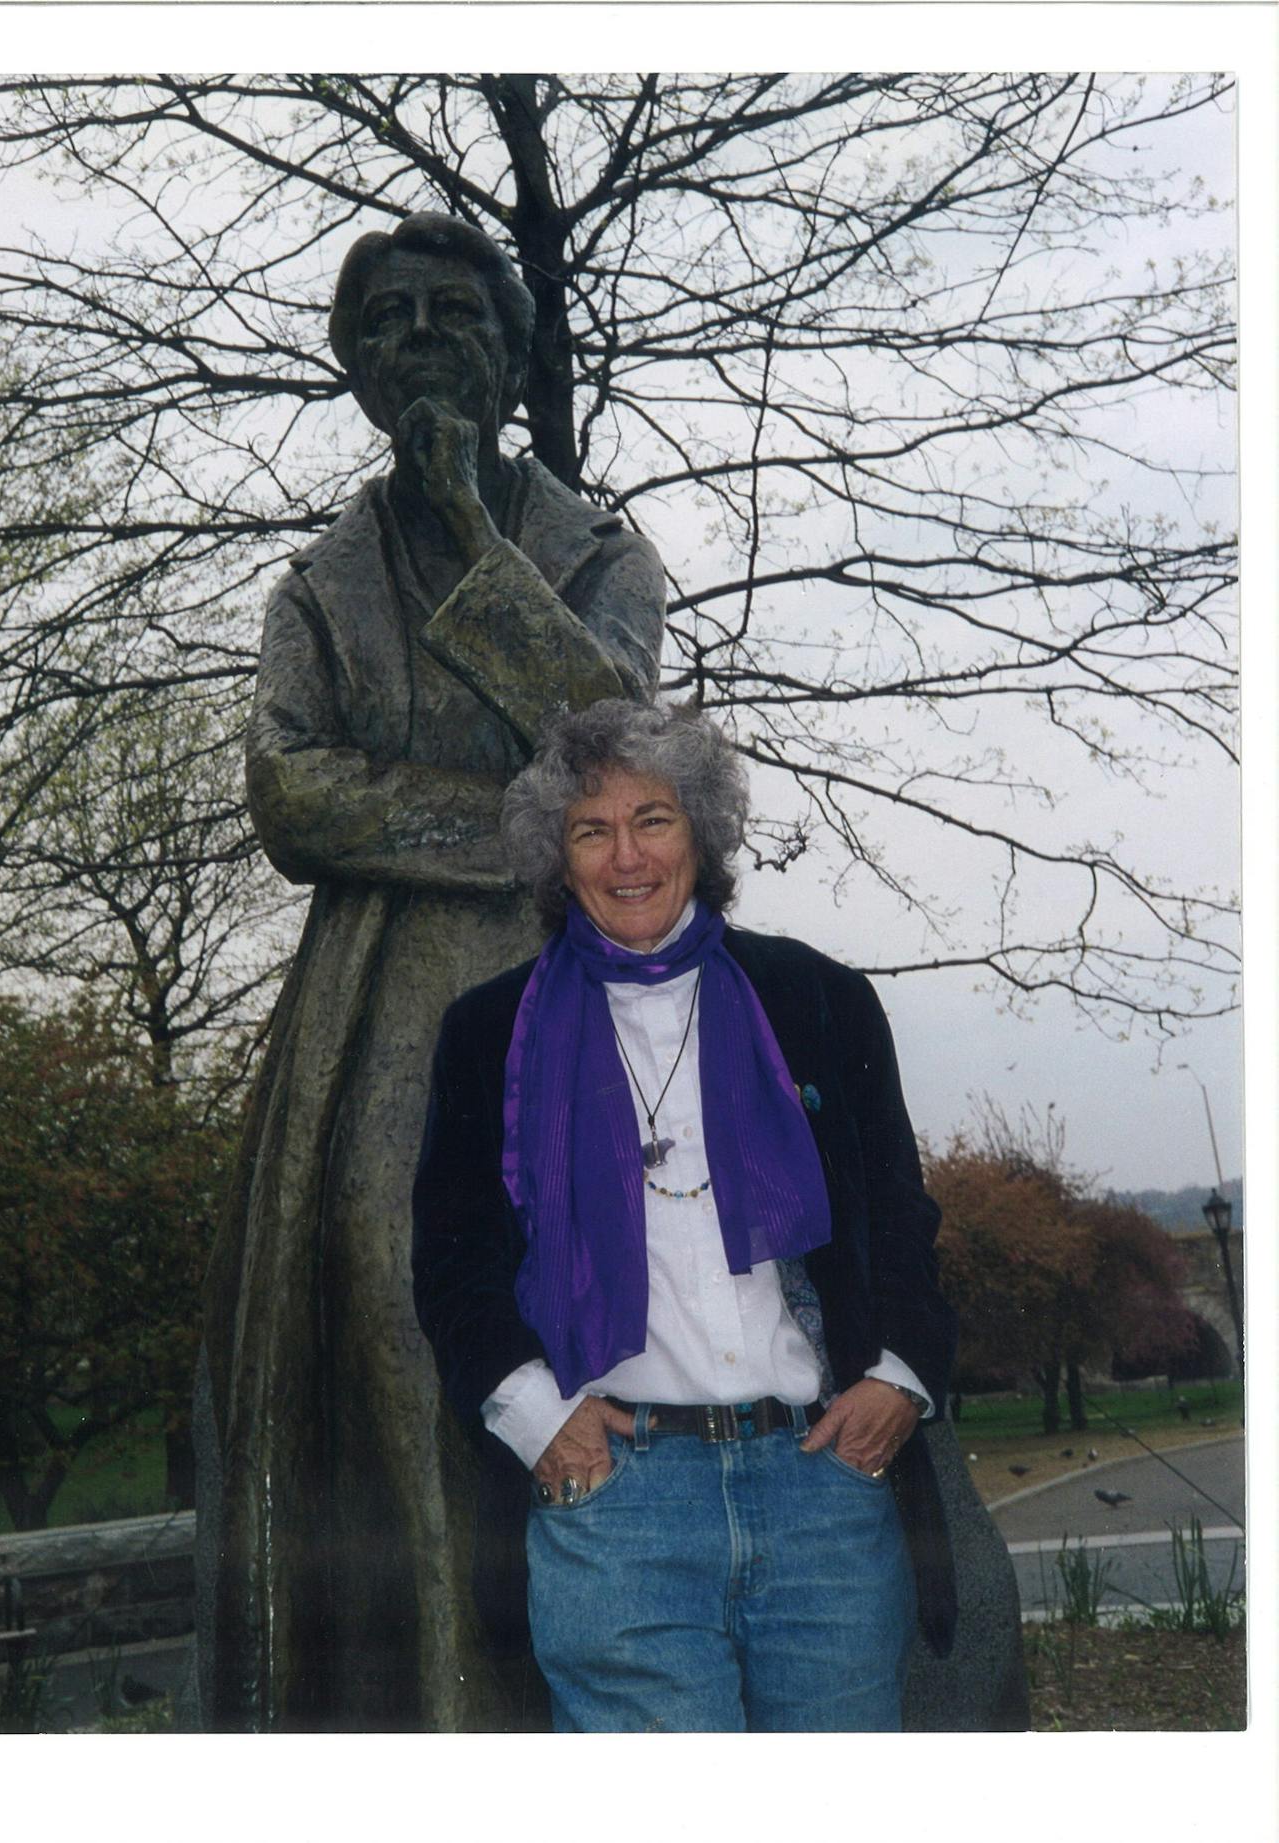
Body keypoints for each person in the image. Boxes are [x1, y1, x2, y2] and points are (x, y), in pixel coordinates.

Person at [198, 216, 664, 1731]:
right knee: (396, 1328)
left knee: (622, 1305)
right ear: (350, 366)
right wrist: (522, 822)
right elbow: (292, 795)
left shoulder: (595, 550)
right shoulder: (318, 586)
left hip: (579, 981)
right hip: (377, 1005)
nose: (419, 344)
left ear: (513, 354)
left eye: (455, 316)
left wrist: (472, 536)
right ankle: (438, 1706)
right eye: (385, 321)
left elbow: (610, 739)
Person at [413, 698, 957, 1731]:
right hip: (617, 1504)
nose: (626, 855)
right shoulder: (487, 1033)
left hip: (821, 1486)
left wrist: (896, 1380)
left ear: (697, 834)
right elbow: (450, 1262)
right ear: (555, 858)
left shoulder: (817, 998)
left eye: (651, 818)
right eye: (590, 829)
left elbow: (896, 1214)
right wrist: (540, 1421)